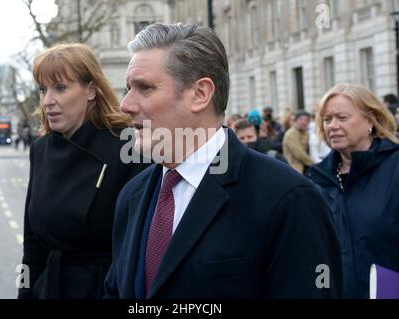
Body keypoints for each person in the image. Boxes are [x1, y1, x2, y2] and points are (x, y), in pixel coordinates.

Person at [104, 23, 342, 299]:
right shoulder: (131, 196)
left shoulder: (287, 198)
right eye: (128, 88)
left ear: (200, 94)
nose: (126, 105)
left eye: (144, 88)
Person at [18, 43, 147, 299]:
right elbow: (32, 247)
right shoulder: (40, 149)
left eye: (61, 88)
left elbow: (141, 246)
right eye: (43, 89)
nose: (47, 101)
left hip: (106, 289)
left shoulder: (129, 145)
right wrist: (24, 293)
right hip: (51, 289)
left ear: (90, 90)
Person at [305, 83, 399, 299]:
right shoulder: (316, 180)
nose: (332, 126)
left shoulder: (394, 167)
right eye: (327, 120)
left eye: (342, 117)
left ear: (370, 120)